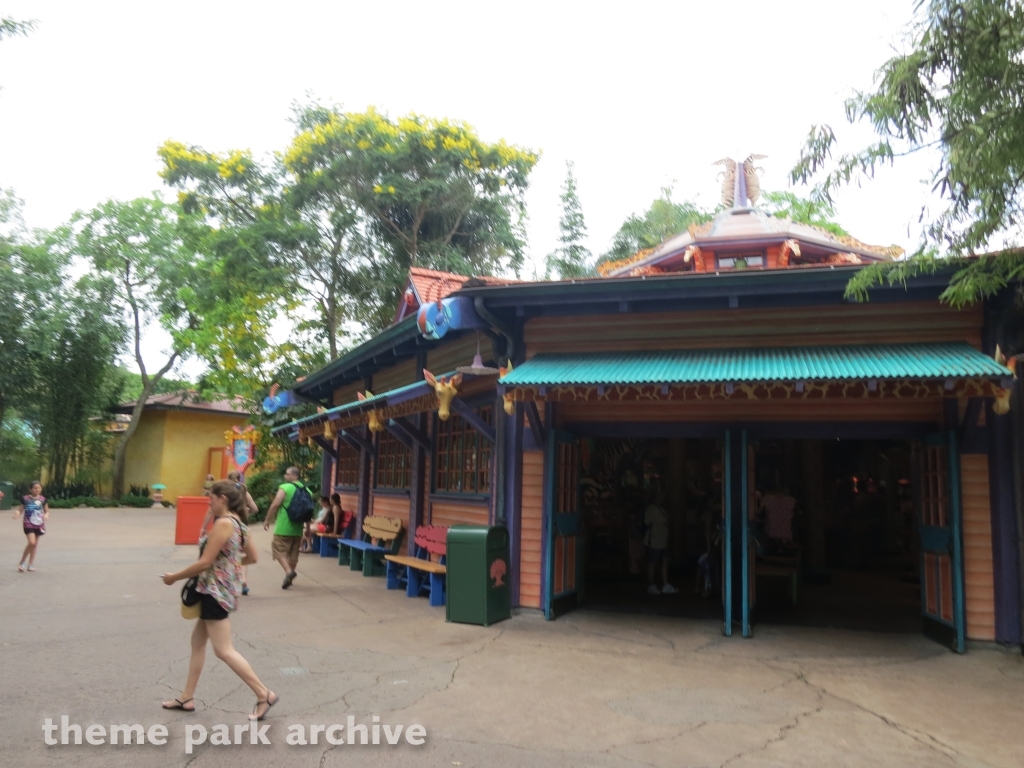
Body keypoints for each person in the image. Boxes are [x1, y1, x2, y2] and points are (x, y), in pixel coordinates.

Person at [160, 480, 278, 720]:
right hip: (216, 590)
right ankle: (187, 697)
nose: (209, 503)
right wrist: (229, 566)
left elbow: (205, 562)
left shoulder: (224, 524)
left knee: (224, 650)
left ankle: (263, 693)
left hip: (214, 592)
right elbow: (251, 557)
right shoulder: (240, 524)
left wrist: (174, 577)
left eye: (211, 499)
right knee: (197, 643)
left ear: (222, 498)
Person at [263, 467, 307, 589]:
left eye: (287, 474)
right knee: (293, 553)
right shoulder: (306, 489)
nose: (285, 476)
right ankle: (290, 578)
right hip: (298, 527)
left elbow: (276, 504)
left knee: (278, 549)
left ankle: (288, 572)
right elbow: (308, 510)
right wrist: (307, 528)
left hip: (284, 526)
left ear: (294, 475)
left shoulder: (285, 487)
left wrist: (267, 519)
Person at [227, 470, 259, 595]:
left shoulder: (227, 493)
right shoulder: (244, 491)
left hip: (229, 524)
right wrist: (245, 511)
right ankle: (243, 580)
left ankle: (230, 582)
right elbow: (255, 509)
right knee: (243, 553)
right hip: (243, 525)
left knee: (229, 554)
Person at [644, 489, 677, 595]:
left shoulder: (659, 508)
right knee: (653, 563)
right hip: (654, 540)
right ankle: (652, 585)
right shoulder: (652, 508)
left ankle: (665, 584)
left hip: (662, 540)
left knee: (664, 561)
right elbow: (663, 521)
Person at [14, 481, 48, 572]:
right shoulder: (25, 498)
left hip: (39, 523)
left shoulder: (43, 499)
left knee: (34, 545)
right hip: (28, 523)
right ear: (30, 489)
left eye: (39, 488)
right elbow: (20, 510)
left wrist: (46, 515)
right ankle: (22, 562)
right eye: (35, 488)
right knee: (31, 543)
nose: (37, 490)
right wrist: (17, 513)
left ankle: (31, 565)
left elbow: (46, 511)